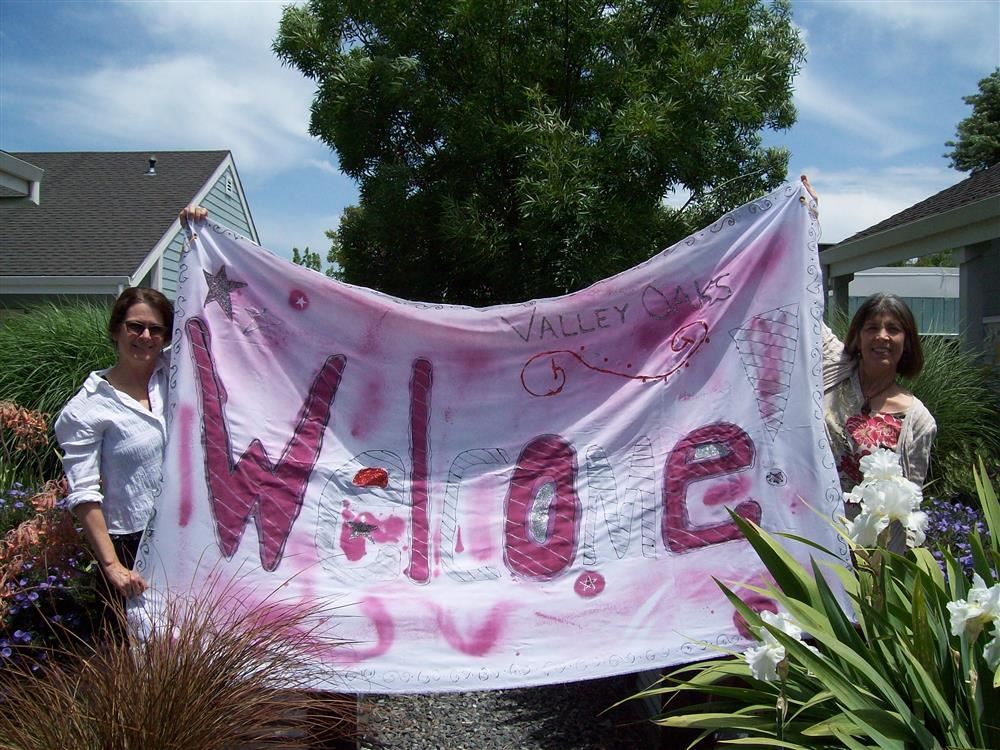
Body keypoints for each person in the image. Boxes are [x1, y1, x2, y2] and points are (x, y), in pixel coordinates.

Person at [800, 175, 937, 492]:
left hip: (866, 541)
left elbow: (907, 501)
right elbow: (803, 301)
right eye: (872, 327)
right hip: (804, 531)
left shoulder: (918, 420)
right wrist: (807, 221)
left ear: (907, 342)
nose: (882, 336)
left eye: (893, 329)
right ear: (858, 337)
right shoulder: (835, 366)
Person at [55, 287, 174, 610]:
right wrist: (112, 566)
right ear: (116, 329)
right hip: (131, 546)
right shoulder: (88, 407)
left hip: (186, 534)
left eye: (156, 329)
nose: (145, 336)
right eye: (135, 326)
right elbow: (83, 492)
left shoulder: (177, 376)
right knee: (140, 651)